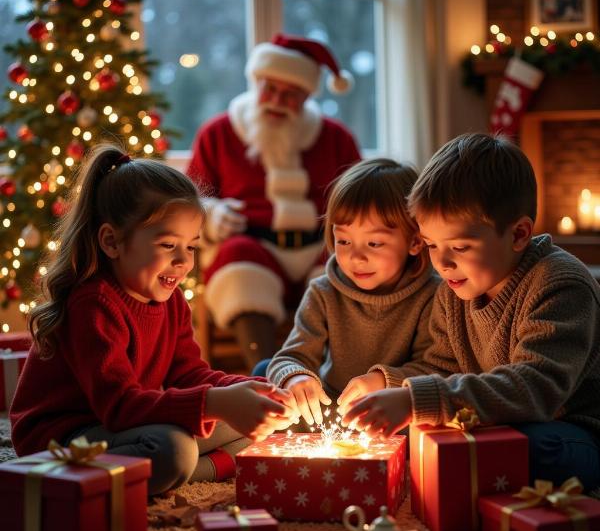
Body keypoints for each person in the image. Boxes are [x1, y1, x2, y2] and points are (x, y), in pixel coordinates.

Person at [10, 144, 298, 496]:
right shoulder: (92, 305)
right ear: (112, 242)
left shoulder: (172, 301)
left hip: (122, 426)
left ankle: (188, 472)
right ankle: (192, 469)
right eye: (167, 245)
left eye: (191, 247)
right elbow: (120, 406)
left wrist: (249, 392)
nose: (183, 262)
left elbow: (189, 374)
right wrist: (216, 403)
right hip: (62, 438)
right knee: (172, 447)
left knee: (258, 426)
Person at [340, 133, 600, 492]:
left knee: (535, 450)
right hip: (500, 421)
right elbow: (442, 367)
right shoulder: (454, 290)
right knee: (428, 436)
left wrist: (415, 400)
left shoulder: (560, 284)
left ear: (519, 234)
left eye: (460, 246)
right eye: (431, 245)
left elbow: (536, 388)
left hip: (570, 428)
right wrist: (389, 382)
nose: (443, 263)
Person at [187, 33, 361, 370]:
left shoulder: (335, 138)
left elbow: (361, 199)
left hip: (319, 246)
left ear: (308, 96)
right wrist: (212, 214)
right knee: (236, 263)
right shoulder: (218, 133)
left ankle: (329, 376)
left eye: (291, 94)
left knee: (346, 263)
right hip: (254, 247)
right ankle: (268, 373)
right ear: (256, 83)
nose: (277, 101)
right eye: (270, 89)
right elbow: (190, 200)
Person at [264, 158, 438, 427]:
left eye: (374, 243)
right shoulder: (323, 292)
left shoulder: (432, 296)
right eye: (343, 240)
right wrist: (296, 378)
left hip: (393, 412)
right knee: (265, 375)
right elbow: (291, 357)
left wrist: (381, 381)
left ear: (415, 241)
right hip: (328, 411)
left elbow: (434, 368)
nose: (356, 256)